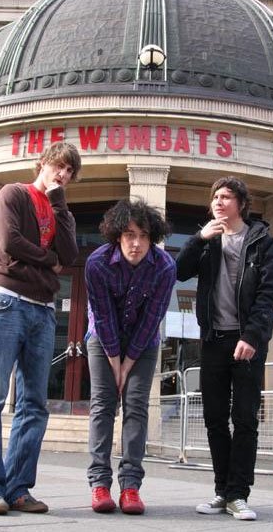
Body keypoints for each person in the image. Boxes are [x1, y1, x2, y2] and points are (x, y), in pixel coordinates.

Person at [0, 142, 81, 515]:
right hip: (7, 301)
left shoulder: (61, 212)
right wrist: (48, 259)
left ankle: (18, 488)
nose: (62, 174)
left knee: (34, 404)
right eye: (59, 165)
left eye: (69, 171)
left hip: (43, 309)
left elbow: (70, 256)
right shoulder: (14, 194)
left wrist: (59, 205)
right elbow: (10, 243)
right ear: (43, 162)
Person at [176, 176, 273, 521]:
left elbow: (268, 294)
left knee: (245, 419)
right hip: (214, 340)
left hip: (246, 341)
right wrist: (198, 239)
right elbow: (179, 272)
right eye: (215, 197)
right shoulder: (208, 240)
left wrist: (252, 336)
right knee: (214, 419)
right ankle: (222, 491)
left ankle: (239, 495)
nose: (218, 202)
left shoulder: (262, 241)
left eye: (226, 197)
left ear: (241, 204)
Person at [85, 199, 176, 515]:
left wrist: (128, 364)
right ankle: (99, 484)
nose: (136, 243)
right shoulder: (97, 263)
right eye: (129, 235)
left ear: (152, 238)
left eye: (143, 236)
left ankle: (130, 487)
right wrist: (115, 362)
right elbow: (103, 316)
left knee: (136, 406)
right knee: (103, 405)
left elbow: (152, 318)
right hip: (102, 339)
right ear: (117, 236)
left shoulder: (165, 267)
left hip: (144, 342)